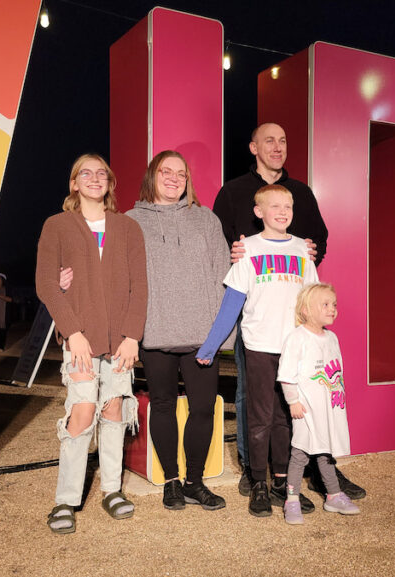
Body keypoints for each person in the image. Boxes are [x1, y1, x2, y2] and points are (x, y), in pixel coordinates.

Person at [212, 122, 364, 506]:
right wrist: (233, 253)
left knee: (298, 403)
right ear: (253, 147)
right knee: (254, 400)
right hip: (260, 325)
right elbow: (221, 244)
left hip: (294, 328)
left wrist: (308, 252)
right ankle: (253, 471)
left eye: (283, 140)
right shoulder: (232, 192)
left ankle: (301, 470)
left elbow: (318, 241)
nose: (277, 147)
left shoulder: (302, 193)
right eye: (269, 141)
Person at [36, 154, 147, 534]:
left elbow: (139, 287)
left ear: (110, 183)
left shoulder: (128, 227)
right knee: (83, 410)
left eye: (102, 173)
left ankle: (112, 490)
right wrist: (73, 331)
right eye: (86, 173)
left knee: (114, 410)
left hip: (120, 342)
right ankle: (66, 499)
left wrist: (133, 336)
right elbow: (47, 284)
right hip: (79, 339)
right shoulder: (57, 226)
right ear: (74, 183)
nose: (94, 178)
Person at [197, 184, 318, 517]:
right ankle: (259, 483)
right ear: (259, 211)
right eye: (274, 206)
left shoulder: (302, 251)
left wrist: (318, 343)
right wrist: (211, 345)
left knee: (285, 418)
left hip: (293, 349)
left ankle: (282, 482)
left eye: (287, 207)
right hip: (260, 347)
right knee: (260, 417)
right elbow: (232, 303)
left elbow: (311, 304)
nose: (282, 212)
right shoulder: (247, 249)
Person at [126, 150, 230, 511]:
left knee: (203, 408)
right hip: (155, 332)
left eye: (181, 174)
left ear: (188, 180)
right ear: (152, 175)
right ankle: (171, 480)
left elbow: (224, 277)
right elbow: (119, 278)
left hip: (202, 335)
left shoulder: (206, 220)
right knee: (164, 405)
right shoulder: (130, 221)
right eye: (166, 171)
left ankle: (194, 482)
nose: (174, 178)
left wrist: (219, 337)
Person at [277, 283, 359, 524]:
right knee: (300, 453)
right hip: (306, 410)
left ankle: (333, 495)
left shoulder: (332, 338)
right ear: (305, 310)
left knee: (326, 452)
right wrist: (293, 402)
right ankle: (291, 500)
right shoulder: (297, 338)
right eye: (325, 304)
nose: (332, 309)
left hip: (329, 410)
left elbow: (336, 373)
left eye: (334, 305)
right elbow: (286, 374)